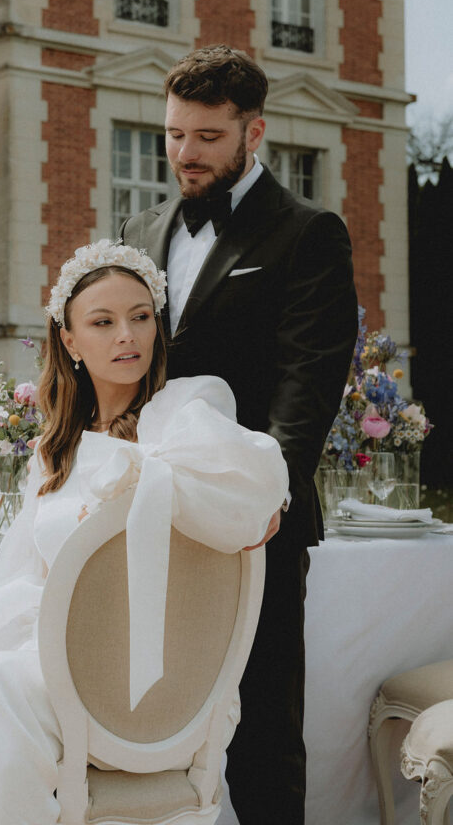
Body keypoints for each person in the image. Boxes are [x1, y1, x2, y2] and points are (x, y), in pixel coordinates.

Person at [0, 239, 289, 825]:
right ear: (70, 340)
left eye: (139, 318)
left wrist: (155, 482)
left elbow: (254, 497)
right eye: (103, 322)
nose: (126, 336)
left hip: (173, 681)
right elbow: (21, 582)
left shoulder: (185, 413)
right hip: (70, 664)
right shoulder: (54, 452)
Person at [121, 44, 358, 825]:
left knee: (260, 727)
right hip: (155, 505)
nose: (185, 154)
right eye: (174, 134)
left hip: (258, 519)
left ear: (252, 132)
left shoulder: (308, 232)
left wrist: (269, 495)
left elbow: (308, 378)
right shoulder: (142, 224)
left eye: (207, 138)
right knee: (152, 707)